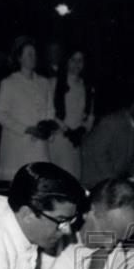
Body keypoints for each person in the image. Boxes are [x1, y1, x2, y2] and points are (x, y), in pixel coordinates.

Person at [0, 36, 55, 180]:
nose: (33, 57)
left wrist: (46, 129)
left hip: (40, 147)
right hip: (17, 146)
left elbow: (50, 110)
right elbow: (1, 114)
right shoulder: (9, 83)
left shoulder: (44, 83)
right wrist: (26, 129)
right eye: (29, 54)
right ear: (19, 58)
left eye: (34, 54)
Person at [80, 94, 134, 187]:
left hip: (112, 183)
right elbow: (97, 152)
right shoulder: (112, 122)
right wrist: (113, 180)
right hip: (94, 179)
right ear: (133, 106)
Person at [47, 49, 94, 177]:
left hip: (75, 142)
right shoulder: (53, 83)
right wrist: (66, 129)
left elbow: (90, 116)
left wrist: (83, 130)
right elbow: (48, 111)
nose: (76, 64)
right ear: (67, 61)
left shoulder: (86, 87)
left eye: (80, 60)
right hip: (57, 138)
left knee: (73, 178)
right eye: (73, 60)